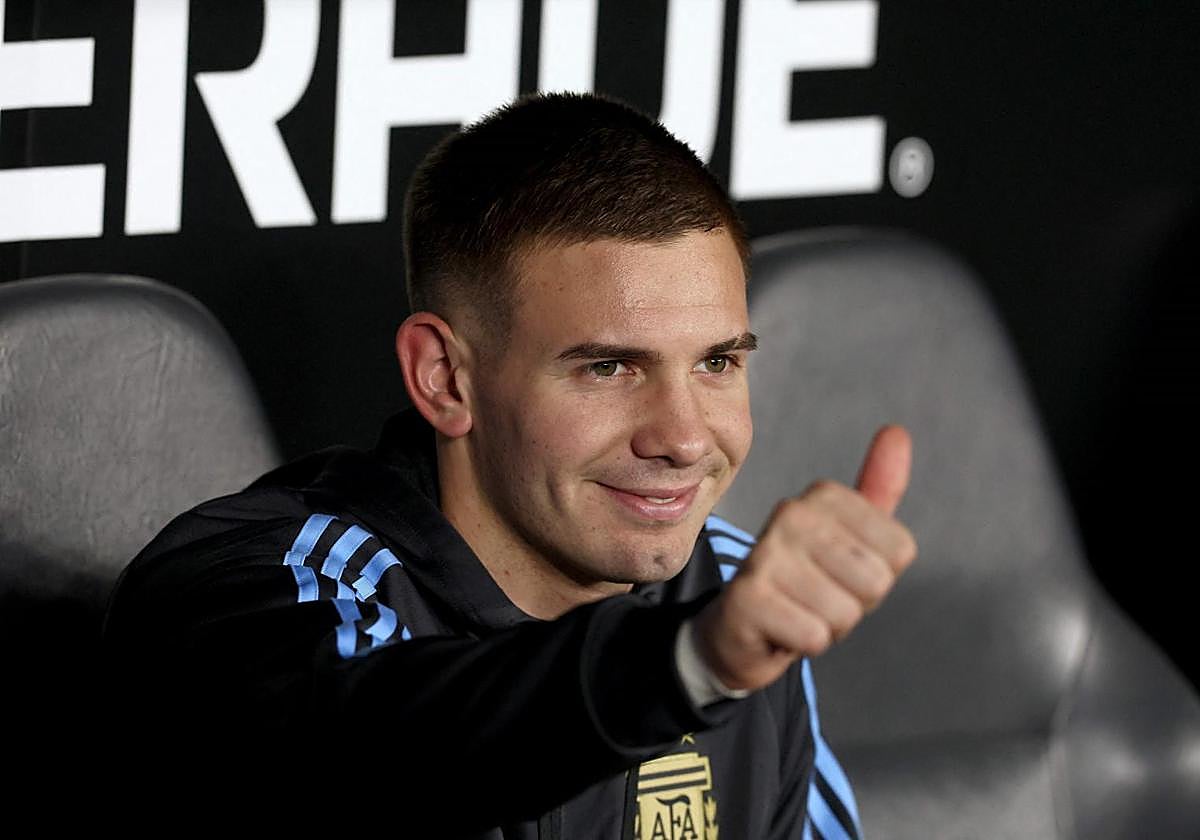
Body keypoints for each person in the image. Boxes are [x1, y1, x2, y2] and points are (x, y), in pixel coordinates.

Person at [101, 92, 916, 838]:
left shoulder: (733, 591)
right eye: (608, 368)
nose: (685, 438)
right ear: (445, 379)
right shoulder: (261, 587)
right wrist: (688, 663)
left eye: (717, 363)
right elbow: (382, 747)